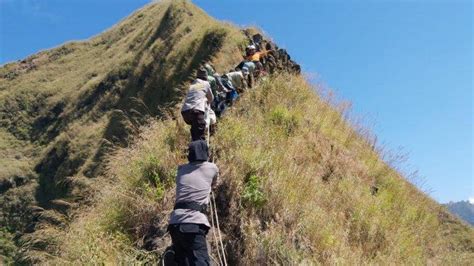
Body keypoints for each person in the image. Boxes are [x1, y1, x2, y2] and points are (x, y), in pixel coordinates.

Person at [168, 140, 219, 266]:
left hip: (175, 224)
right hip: (194, 223)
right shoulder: (212, 168)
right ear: (205, 153)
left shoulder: (180, 169)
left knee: (183, 261)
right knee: (200, 261)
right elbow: (214, 184)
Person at [181, 69, 214, 141]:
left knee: (195, 132)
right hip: (196, 111)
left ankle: (193, 147)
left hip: (185, 112)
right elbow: (211, 98)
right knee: (200, 136)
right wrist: (207, 102)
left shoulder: (192, 85)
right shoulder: (206, 83)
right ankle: (201, 149)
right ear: (206, 77)